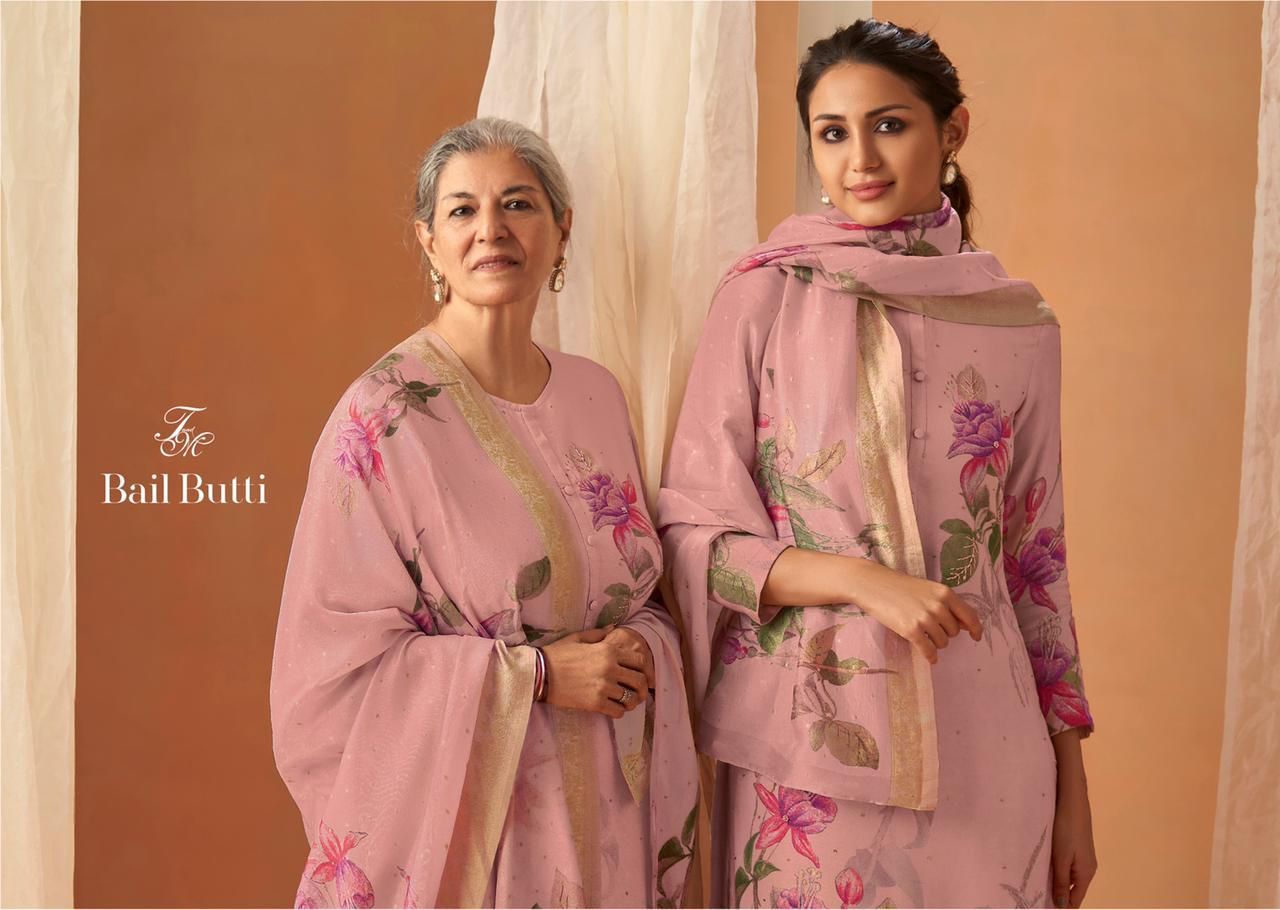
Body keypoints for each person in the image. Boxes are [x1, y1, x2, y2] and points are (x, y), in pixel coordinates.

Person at [657, 20, 1096, 910]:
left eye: (889, 125)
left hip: (989, 742)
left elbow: (1034, 564)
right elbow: (694, 536)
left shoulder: (1019, 324)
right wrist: (863, 582)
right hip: (813, 749)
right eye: (832, 133)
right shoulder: (766, 295)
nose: (859, 158)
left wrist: (1073, 790)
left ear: (953, 130)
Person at [270, 117, 698, 909]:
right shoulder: (384, 416)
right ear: (429, 242)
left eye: (518, 204)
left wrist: (640, 646)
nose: (491, 229)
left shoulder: (597, 395)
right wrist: (536, 677)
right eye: (463, 210)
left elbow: (643, 588)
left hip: (608, 809)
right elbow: (331, 670)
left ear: (562, 229)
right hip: (484, 831)